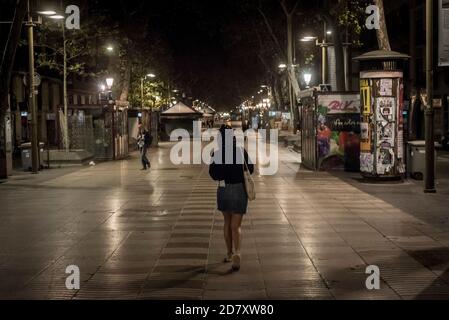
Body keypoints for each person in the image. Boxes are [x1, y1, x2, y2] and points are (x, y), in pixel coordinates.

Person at [209, 125, 254, 271]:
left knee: (227, 222)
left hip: (223, 190)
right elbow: (251, 169)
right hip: (239, 190)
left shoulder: (217, 153)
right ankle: (238, 252)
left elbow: (214, 174)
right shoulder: (241, 151)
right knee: (236, 225)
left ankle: (229, 253)